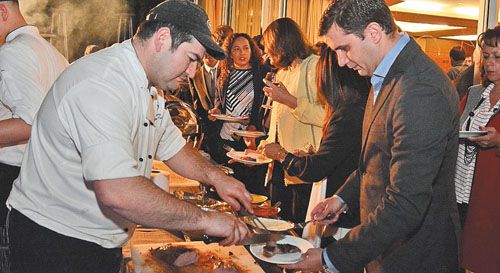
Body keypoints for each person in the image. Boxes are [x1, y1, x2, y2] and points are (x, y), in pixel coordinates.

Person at [6, 1, 252, 272]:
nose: (193, 73)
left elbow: (172, 146)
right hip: (54, 243)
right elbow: (117, 192)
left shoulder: (149, 86)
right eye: (192, 58)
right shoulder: (101, 84)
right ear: (162, 39)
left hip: (98, 241)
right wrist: (205, 220)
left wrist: (216, 177)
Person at [282, 1, 461, 272]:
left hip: (413, 257)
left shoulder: (419, 88)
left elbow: (405, 203)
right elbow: (376, 159)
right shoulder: (384, 76)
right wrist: (342, 198)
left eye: (344, 48)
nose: (341, 61)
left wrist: (329, 257)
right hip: (386, 249)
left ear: (374, 32)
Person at [262, 44, 369, 204]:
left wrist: (281, 154)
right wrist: (312, 157)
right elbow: (336, 156)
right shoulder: (353, 106)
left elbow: (316, 169)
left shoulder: (347, 112)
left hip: (344, 202)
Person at [0, 0, 68, 235]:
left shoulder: (12, 52)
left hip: (10, 177)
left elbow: (30, 122)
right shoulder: (52, 53)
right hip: (40, 177)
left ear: (2, 11)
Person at [260, 17, 325, 223]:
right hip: (280, 164)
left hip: (304, 164)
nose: (267, 54)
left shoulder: (315, 65)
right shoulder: (283, 71)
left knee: (298, 227)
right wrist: (264, 145)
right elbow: (279, 120)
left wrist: (288, 100)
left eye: (269, 48)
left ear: (282, 44)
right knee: (278, 223)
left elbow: (326, 116)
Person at [455, 26, 500, 273]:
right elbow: (455, 128)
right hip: (460, 194)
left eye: (498, 57)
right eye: (487, 56)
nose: (490, 63)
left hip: (492, 201)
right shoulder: (475, 94)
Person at [207, 33, 270, 195]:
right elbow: (219, 102)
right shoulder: (224, 72)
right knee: (226, 189)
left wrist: (252, 121)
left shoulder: (262, 73)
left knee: (250, 190)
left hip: (250, 140)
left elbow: (266, 108)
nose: (242, 53)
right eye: (237, 49)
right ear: (230, 53)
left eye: (246, 48)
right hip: (225, 138)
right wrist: (216, 111)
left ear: (252, 50)